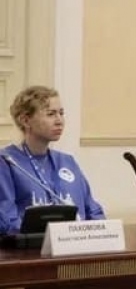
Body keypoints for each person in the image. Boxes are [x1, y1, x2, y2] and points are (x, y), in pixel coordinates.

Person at [0, 86, 105, 230]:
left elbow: (93, 211)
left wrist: (102, 231)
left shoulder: (67, 161)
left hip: (76, 241)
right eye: (51, 114)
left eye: (61, 113)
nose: (59, 121)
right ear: (26, 121)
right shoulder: (7, 162)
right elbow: (7, 220)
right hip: (33, 243)